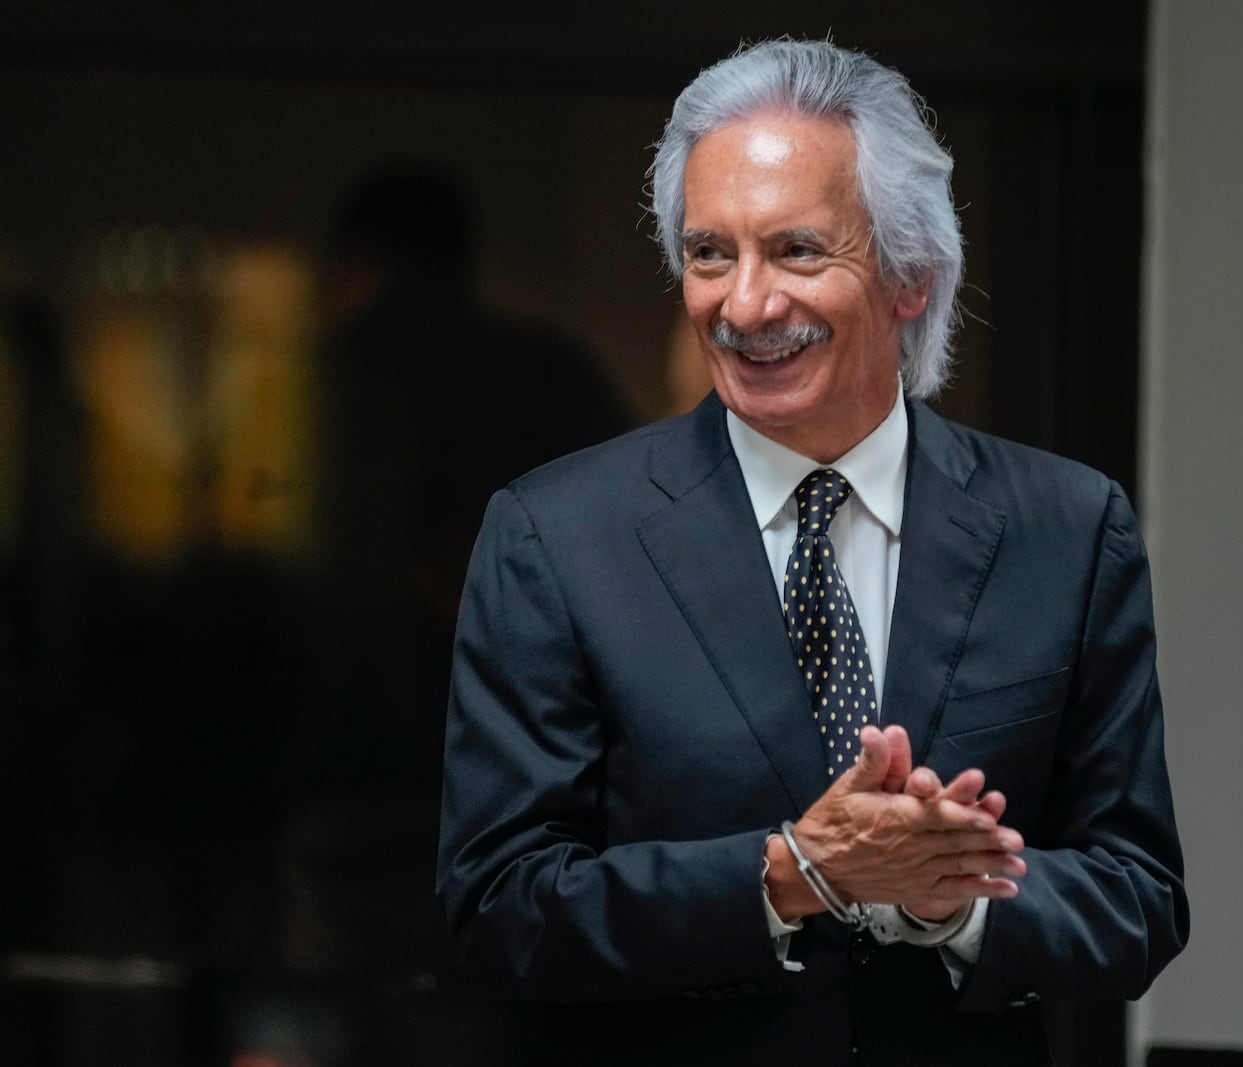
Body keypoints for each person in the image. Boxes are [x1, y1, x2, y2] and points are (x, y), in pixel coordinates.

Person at [437, 39, 1186, 1066]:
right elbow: (496, 911)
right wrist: (792, 872)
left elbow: (1138, 900)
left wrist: (947, 901)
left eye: (795, 250)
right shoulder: (559, 536)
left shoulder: (1065, 526)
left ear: (910, 276)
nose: (743, 304)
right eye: (709, 253)